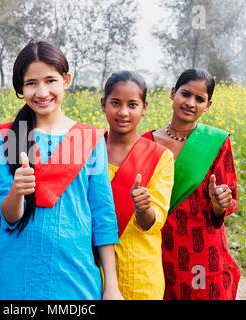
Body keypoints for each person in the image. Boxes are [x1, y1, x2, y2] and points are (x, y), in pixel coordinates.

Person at [0, 39, 122, 300]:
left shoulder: (90, 139)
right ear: (21, 88)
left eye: (50, 80)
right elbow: (9, 216)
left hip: (74, 276)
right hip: (15, 276)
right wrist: (17, 190)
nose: (42, 91)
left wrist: (111, 285)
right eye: (31, 83)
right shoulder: (7, 136)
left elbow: (102, 215)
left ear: (66, 79)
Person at [142, 69, 240, 300]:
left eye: (200, 99)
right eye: (185, 94)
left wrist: (220, 204)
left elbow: (225, 201)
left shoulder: (216, 143)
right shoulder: (146, 143)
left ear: (208, 105)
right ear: (173, 93)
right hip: (158, 250)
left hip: (203, 252)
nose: (191, 103)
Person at [101, 71, 174, 299]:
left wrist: (144, 208)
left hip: (139, 274)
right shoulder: (89, 151)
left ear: (144, 107)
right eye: (115, 103)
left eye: (132, 104)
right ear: (103, 104)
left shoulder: (160, 157)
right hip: (93, 271)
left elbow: (152, 222)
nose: (123, 112)